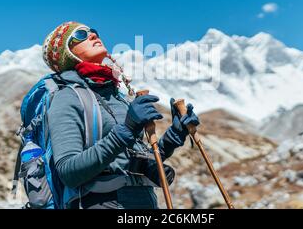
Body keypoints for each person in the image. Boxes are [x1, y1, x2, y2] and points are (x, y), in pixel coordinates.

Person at [42, 21, 200, 209]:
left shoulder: (117, 95)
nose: (93, 35)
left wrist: (174, 135)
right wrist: (127, 129)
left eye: (93, 31)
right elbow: (69, 172)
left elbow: (133, 162)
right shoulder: (67, 97)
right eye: (81, 35)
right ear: (66, 55)